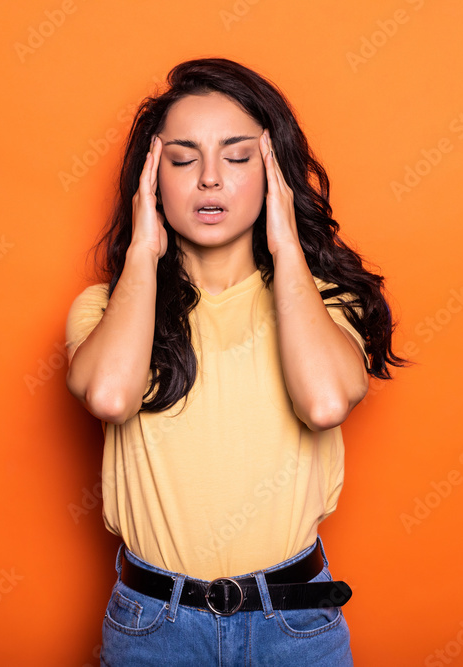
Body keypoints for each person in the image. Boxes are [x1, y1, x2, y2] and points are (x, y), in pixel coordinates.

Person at [65, 57, 409, 666]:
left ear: (274, 172)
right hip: (153, 627)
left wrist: (284, 242)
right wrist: (144, 249)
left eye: (238, 156)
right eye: (182, 158)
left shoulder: (329, 304)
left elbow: (325, 402)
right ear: (151, 179)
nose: (210, 179)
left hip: (294, 623)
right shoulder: (105, 309)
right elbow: (110, 396)